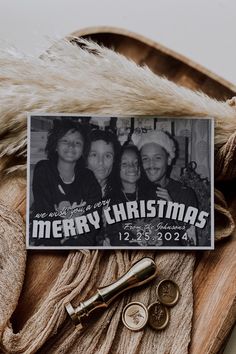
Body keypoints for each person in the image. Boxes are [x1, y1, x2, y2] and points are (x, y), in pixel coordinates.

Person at [31, 120, 101, 246]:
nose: (71, 146)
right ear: (56, 146)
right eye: (65, 141)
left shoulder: (88, 177)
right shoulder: (43, 169)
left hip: (80, 247)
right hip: (49, 246)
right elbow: (44, 215)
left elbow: (93, 221)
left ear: (83, 149)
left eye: (77, 142)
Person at [137, 130, 198, 246]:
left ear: (169, 159)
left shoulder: (185, 194)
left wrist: (173, 211)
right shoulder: (133, 191)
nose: (151, 164)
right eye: (145, 159)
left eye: (157, 158)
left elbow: (191, 244)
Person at [86, 129, 120, 198]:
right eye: (94, 155)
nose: (101, 162)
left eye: (107, 156)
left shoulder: (120, 194)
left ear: (114, 159)